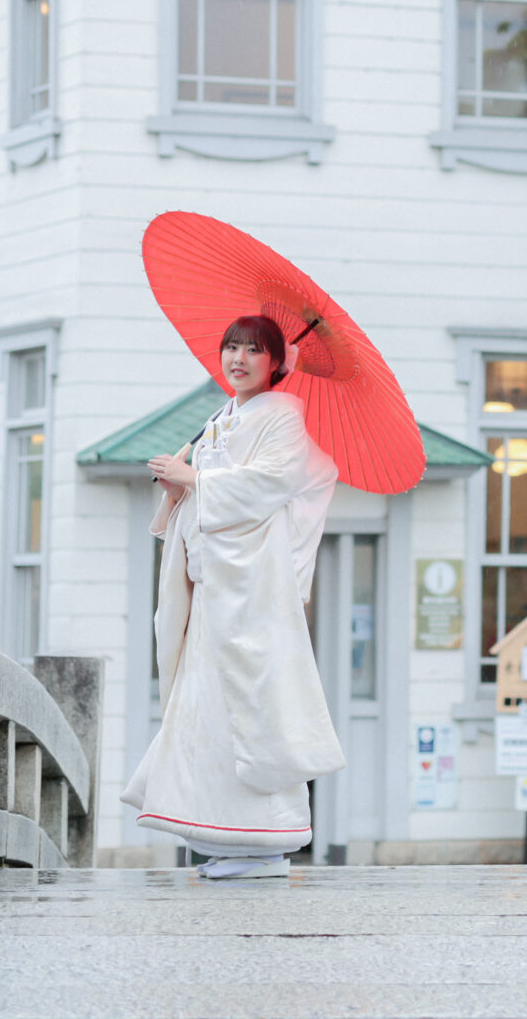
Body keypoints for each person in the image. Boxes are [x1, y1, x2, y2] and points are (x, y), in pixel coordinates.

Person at [121, 314, 344, 879]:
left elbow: (270, 486)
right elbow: (212, 495)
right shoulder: (222, 417)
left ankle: (265, 844)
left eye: (254, 350)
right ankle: (224, 837)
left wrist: (196, 480)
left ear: (276, 362)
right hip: (215, 589)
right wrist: (179, 489)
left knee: (251, 707)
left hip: (250, 592)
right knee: (207, 712)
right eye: (231, 347)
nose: (238, 359)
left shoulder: (284, 416)